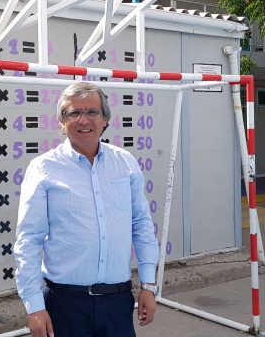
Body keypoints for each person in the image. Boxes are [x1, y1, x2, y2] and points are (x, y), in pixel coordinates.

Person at [14, 82, 159, 337]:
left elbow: (142, 226)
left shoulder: (125, 164)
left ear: (105, 120)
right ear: (62, 121)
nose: (84, 120)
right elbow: (29, 241)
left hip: (118, 302)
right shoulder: (42, 169)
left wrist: (148, 285)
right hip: (65, 304)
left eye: (92, 112)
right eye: (74, 113)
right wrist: (34, 306)